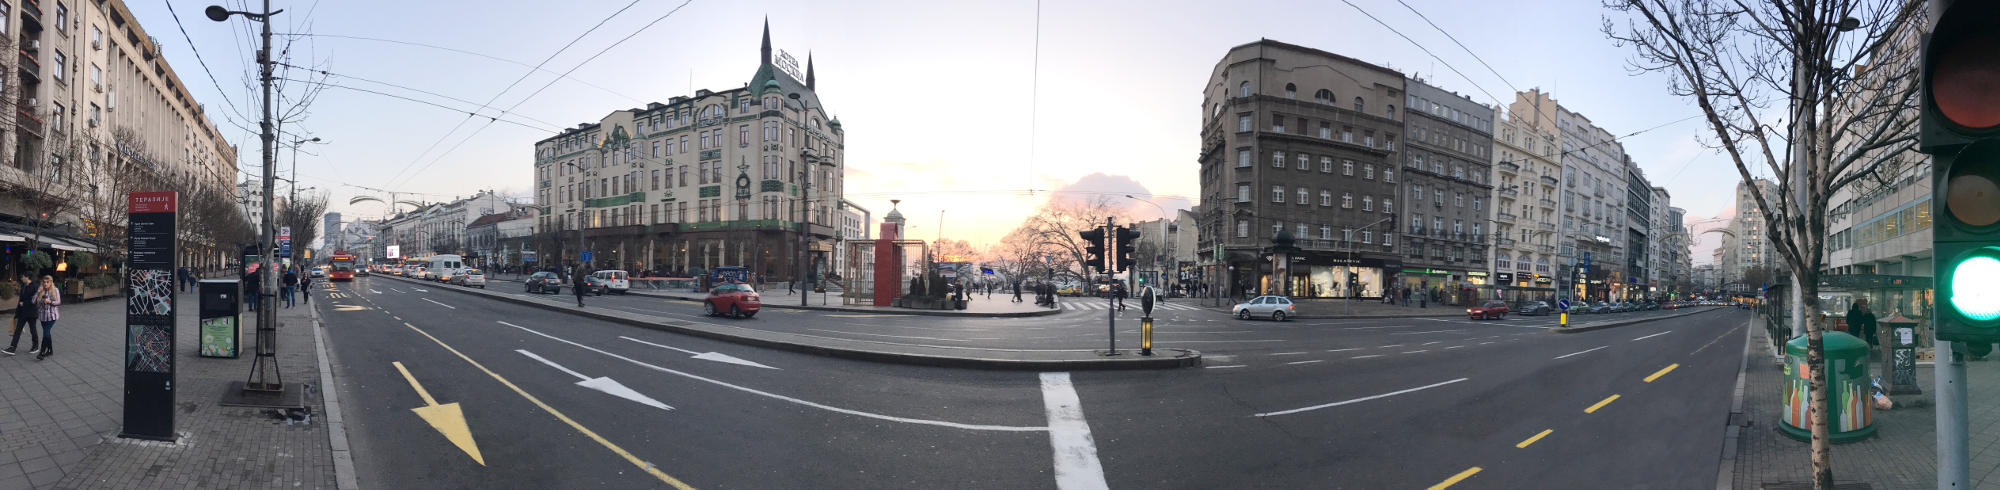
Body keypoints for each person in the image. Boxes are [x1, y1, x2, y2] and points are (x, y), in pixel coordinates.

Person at [6, 274, 39, 355]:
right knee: (17, 330)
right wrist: (16, 313)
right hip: (22, 313)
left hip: (31, 313)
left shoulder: (34, 286)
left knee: (33, 330)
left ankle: (35, 346)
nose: (21, 278)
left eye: (23, 277)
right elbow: (20, 300)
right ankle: (12, 348)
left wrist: (24, 303)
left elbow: (35, 300)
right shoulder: (23, 286)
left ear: (27, 277)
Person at [31, 275, 58, 360]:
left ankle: (42, 352)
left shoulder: (55, 290)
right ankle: (50, 350)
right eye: (44, 282)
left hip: (52, 316)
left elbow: (59, 302)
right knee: (47, 334)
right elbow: (33, 301)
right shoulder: (41, 290)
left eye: (47, 282)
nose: (45, 284)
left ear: (51, 283)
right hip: (42, 317)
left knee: (45, 333)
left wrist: (50, 301)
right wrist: (37, 292)